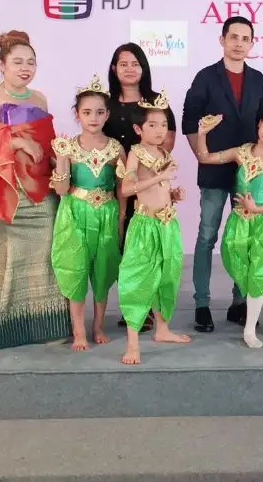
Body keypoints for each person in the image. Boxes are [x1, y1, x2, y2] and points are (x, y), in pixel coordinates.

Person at [0, 30, 70, 349]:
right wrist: (17, 141)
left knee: (47, 255)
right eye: (18, 62)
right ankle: (12, 327)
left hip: (42, 189)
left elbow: (47, 143)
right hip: (8, 191)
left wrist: (61, 159)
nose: (25, 68)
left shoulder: (39, 99)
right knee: (8, 256)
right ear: (2, 64)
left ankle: (48, 323)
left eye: (31, 62)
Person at [182, 16, 263, 333]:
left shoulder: (258, 80)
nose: (238, 43)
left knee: (243, 240)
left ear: (252, 44)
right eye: (233, 37)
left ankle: (239, 301)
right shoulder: (206, 77)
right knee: (207, 236)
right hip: (214, 171)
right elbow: (189, 121)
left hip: (249, 174)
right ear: (222, 40)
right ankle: (202, 304)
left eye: (245, 38)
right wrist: (202, 156)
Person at [195, 107, 263, 348]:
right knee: (243, 272)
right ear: (259, 124)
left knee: (257, 275)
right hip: (239, 222)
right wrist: (202, 134)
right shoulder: (241, 152)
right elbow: (205, 158)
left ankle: (249, 331)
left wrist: (257, 208)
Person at [104, 43, 178, 332]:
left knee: (149, 249)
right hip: (112, 183)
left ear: (144, 68)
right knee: (122, 243)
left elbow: (167, 143)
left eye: (135, 63)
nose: (130, 69)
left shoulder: (157, 102)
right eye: (123, 64)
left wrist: (145, 167)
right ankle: (131, 304)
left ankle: (147, 309)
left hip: (148, 186)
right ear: (114, 69)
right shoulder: (106, 104)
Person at [49, 77, 125, 351]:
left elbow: (122, 188)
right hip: (75, 214)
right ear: (77, 114)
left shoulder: (116, 148)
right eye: (87, 112)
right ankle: (79, 330)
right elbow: (61, 190)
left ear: (107, 114)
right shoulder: (68, 147)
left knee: (103, 270)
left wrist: (120, 220)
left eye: (100, 112)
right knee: (76, 268)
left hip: (107, 214)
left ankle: (98, 326)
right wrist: (61, 157)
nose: (94, 118)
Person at [116, 89, 190, 365]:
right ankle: (133, 343)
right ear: (138, 129)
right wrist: (159, 178)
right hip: (145, 225)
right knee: (139, 278)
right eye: (153, 125)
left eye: (164, 125)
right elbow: (126, 189)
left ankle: (163, 329)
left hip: (167, 224)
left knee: (168, 276)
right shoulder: (135, 154)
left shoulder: (163, 152)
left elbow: (160, 188)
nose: (160, 130)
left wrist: (173, 194)